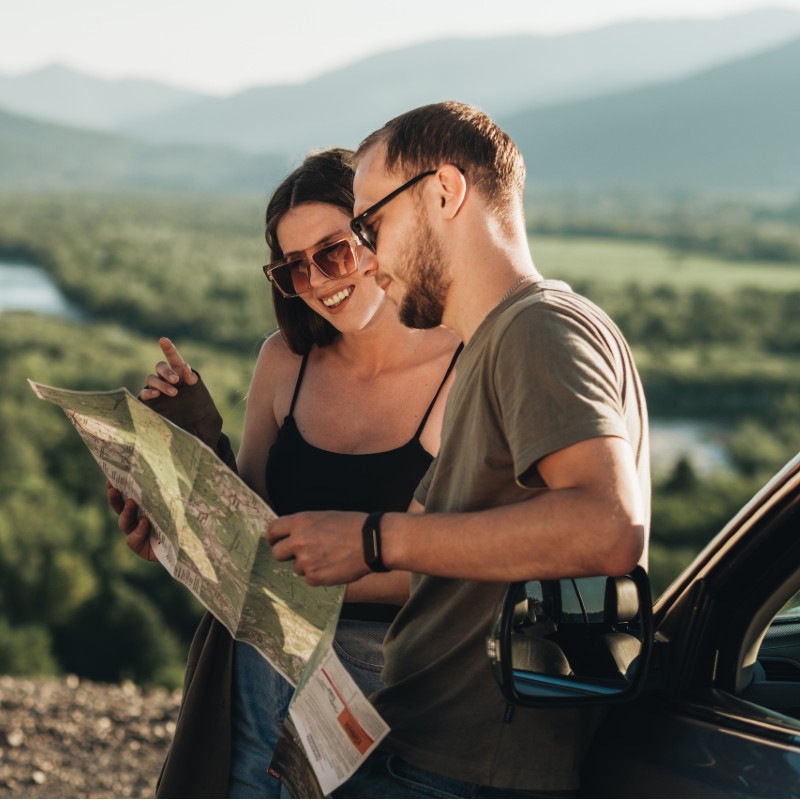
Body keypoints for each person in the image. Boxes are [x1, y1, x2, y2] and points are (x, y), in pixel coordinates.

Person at [265, 102, 651, 797]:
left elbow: (608, 528)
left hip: (471, 769)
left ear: (444, 192)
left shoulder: (539, 330)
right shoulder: (495, 343)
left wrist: (376, 539)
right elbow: (452, 545)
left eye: (370, 225)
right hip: (428, 748)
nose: (369, 257)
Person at [108, 147, 459, 798]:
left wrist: (306, 574)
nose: (321, 280)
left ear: (380, 232)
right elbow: (250, 531)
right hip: (262, 664)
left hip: (393, 684)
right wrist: (172, 520)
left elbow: (467, 566)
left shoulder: (462, 369)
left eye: (335, 250)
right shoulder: (284, 361)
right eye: (295, 268)